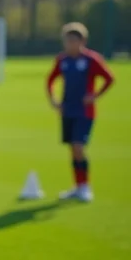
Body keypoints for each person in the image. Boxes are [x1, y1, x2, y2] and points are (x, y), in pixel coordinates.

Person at [46, 22, 115, 202]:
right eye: (66, 41)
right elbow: (50, 80)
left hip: (85, 112)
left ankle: (85, 187)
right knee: (72, 149)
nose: (69, 44)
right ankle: (77, 186)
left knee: (78, 147)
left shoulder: (92, 60)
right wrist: (54, 100)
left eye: (72, 41)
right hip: (67, 110)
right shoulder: (62, 60)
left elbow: (109, 78)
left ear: (82, 41)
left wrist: (95, 95)